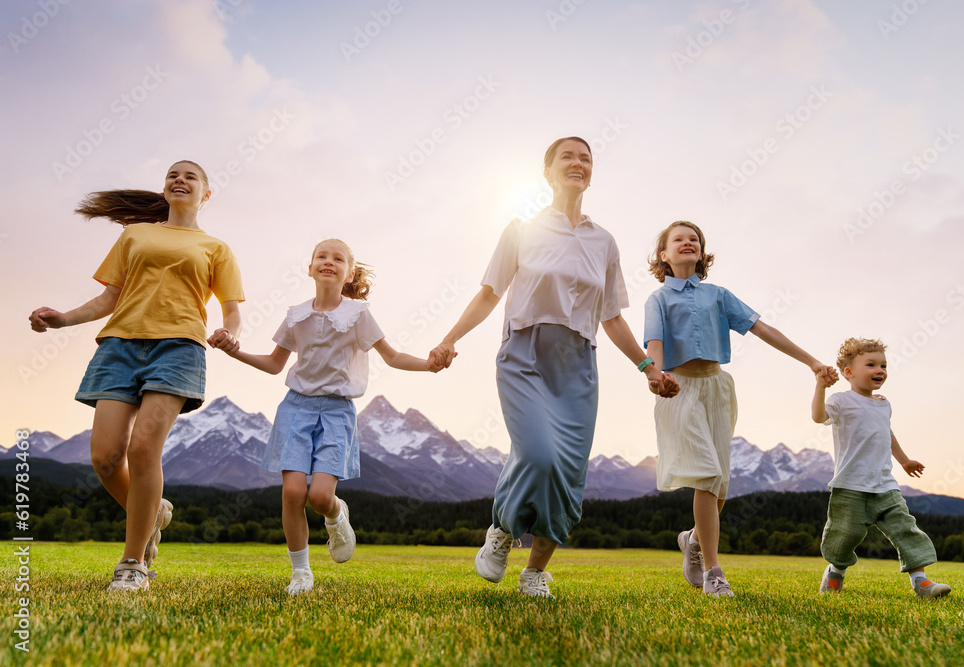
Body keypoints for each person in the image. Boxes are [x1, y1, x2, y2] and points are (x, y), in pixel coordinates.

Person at [431, 136, 679, 599]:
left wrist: (648, 367)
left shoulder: (604, 241)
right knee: (538, 454)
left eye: (586, 158)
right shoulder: (521, 229)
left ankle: (535, 572)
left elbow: (611, 317)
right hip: (525, 353)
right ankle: (503, 529)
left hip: (579, 364)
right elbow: (489, 294)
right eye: (567, 156)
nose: (577, 163)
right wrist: (449, 339)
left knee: (567, 472)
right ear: (548, 171)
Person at [29, 160, 244, 591]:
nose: (179, 180)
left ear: (206, 193)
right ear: (165, 189)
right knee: (106, 458)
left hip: (178, 348)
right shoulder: (134, 235)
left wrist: (229, 334)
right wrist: (63, 318)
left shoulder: (215, 247)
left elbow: (232, 310)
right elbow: (109, 297)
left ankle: (133, 563)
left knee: (144, 449)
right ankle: (151, 512)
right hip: (119, 348)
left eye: (190, 176)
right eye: (172, 175)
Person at [216, 238, 442, 595]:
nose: (328, 261)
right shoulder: (295, 314)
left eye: (338, 258)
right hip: (295, 407)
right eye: (321, 256)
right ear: (309, 269)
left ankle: (337, 517)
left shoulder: (358, 315)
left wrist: (428, 365)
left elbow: (393, 356)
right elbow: (275, 365)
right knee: (293, 492)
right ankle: (301, 573)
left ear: (348, 272)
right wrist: (235, 351)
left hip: (337, 412)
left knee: (319, 497)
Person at [644, 220, 837, 597]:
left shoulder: (718, 295)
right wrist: (654, 374)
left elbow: (764, 330)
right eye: (678, 239)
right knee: (705, 476)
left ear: (701, 253)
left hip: (717, 389)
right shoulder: (659, 300)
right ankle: (715, 573)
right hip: (678, 389)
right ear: (663, 255)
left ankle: (693, 541)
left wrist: (811, 361)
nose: (688, 242)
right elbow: (654, 342)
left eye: (694, 239)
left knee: (720, 486)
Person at [811, 337, 950, 598]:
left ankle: (921, 582)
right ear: (849, 373)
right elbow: (819, 417)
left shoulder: (883, 403)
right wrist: (820, 387)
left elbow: (887, 433)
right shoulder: (841, 400)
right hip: (850, 485)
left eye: (883, 366)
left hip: (884, 485)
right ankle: (835, 571)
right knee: (846, 534)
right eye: (871, 365)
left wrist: (904, 460)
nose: (880, 370)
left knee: (905, 528)